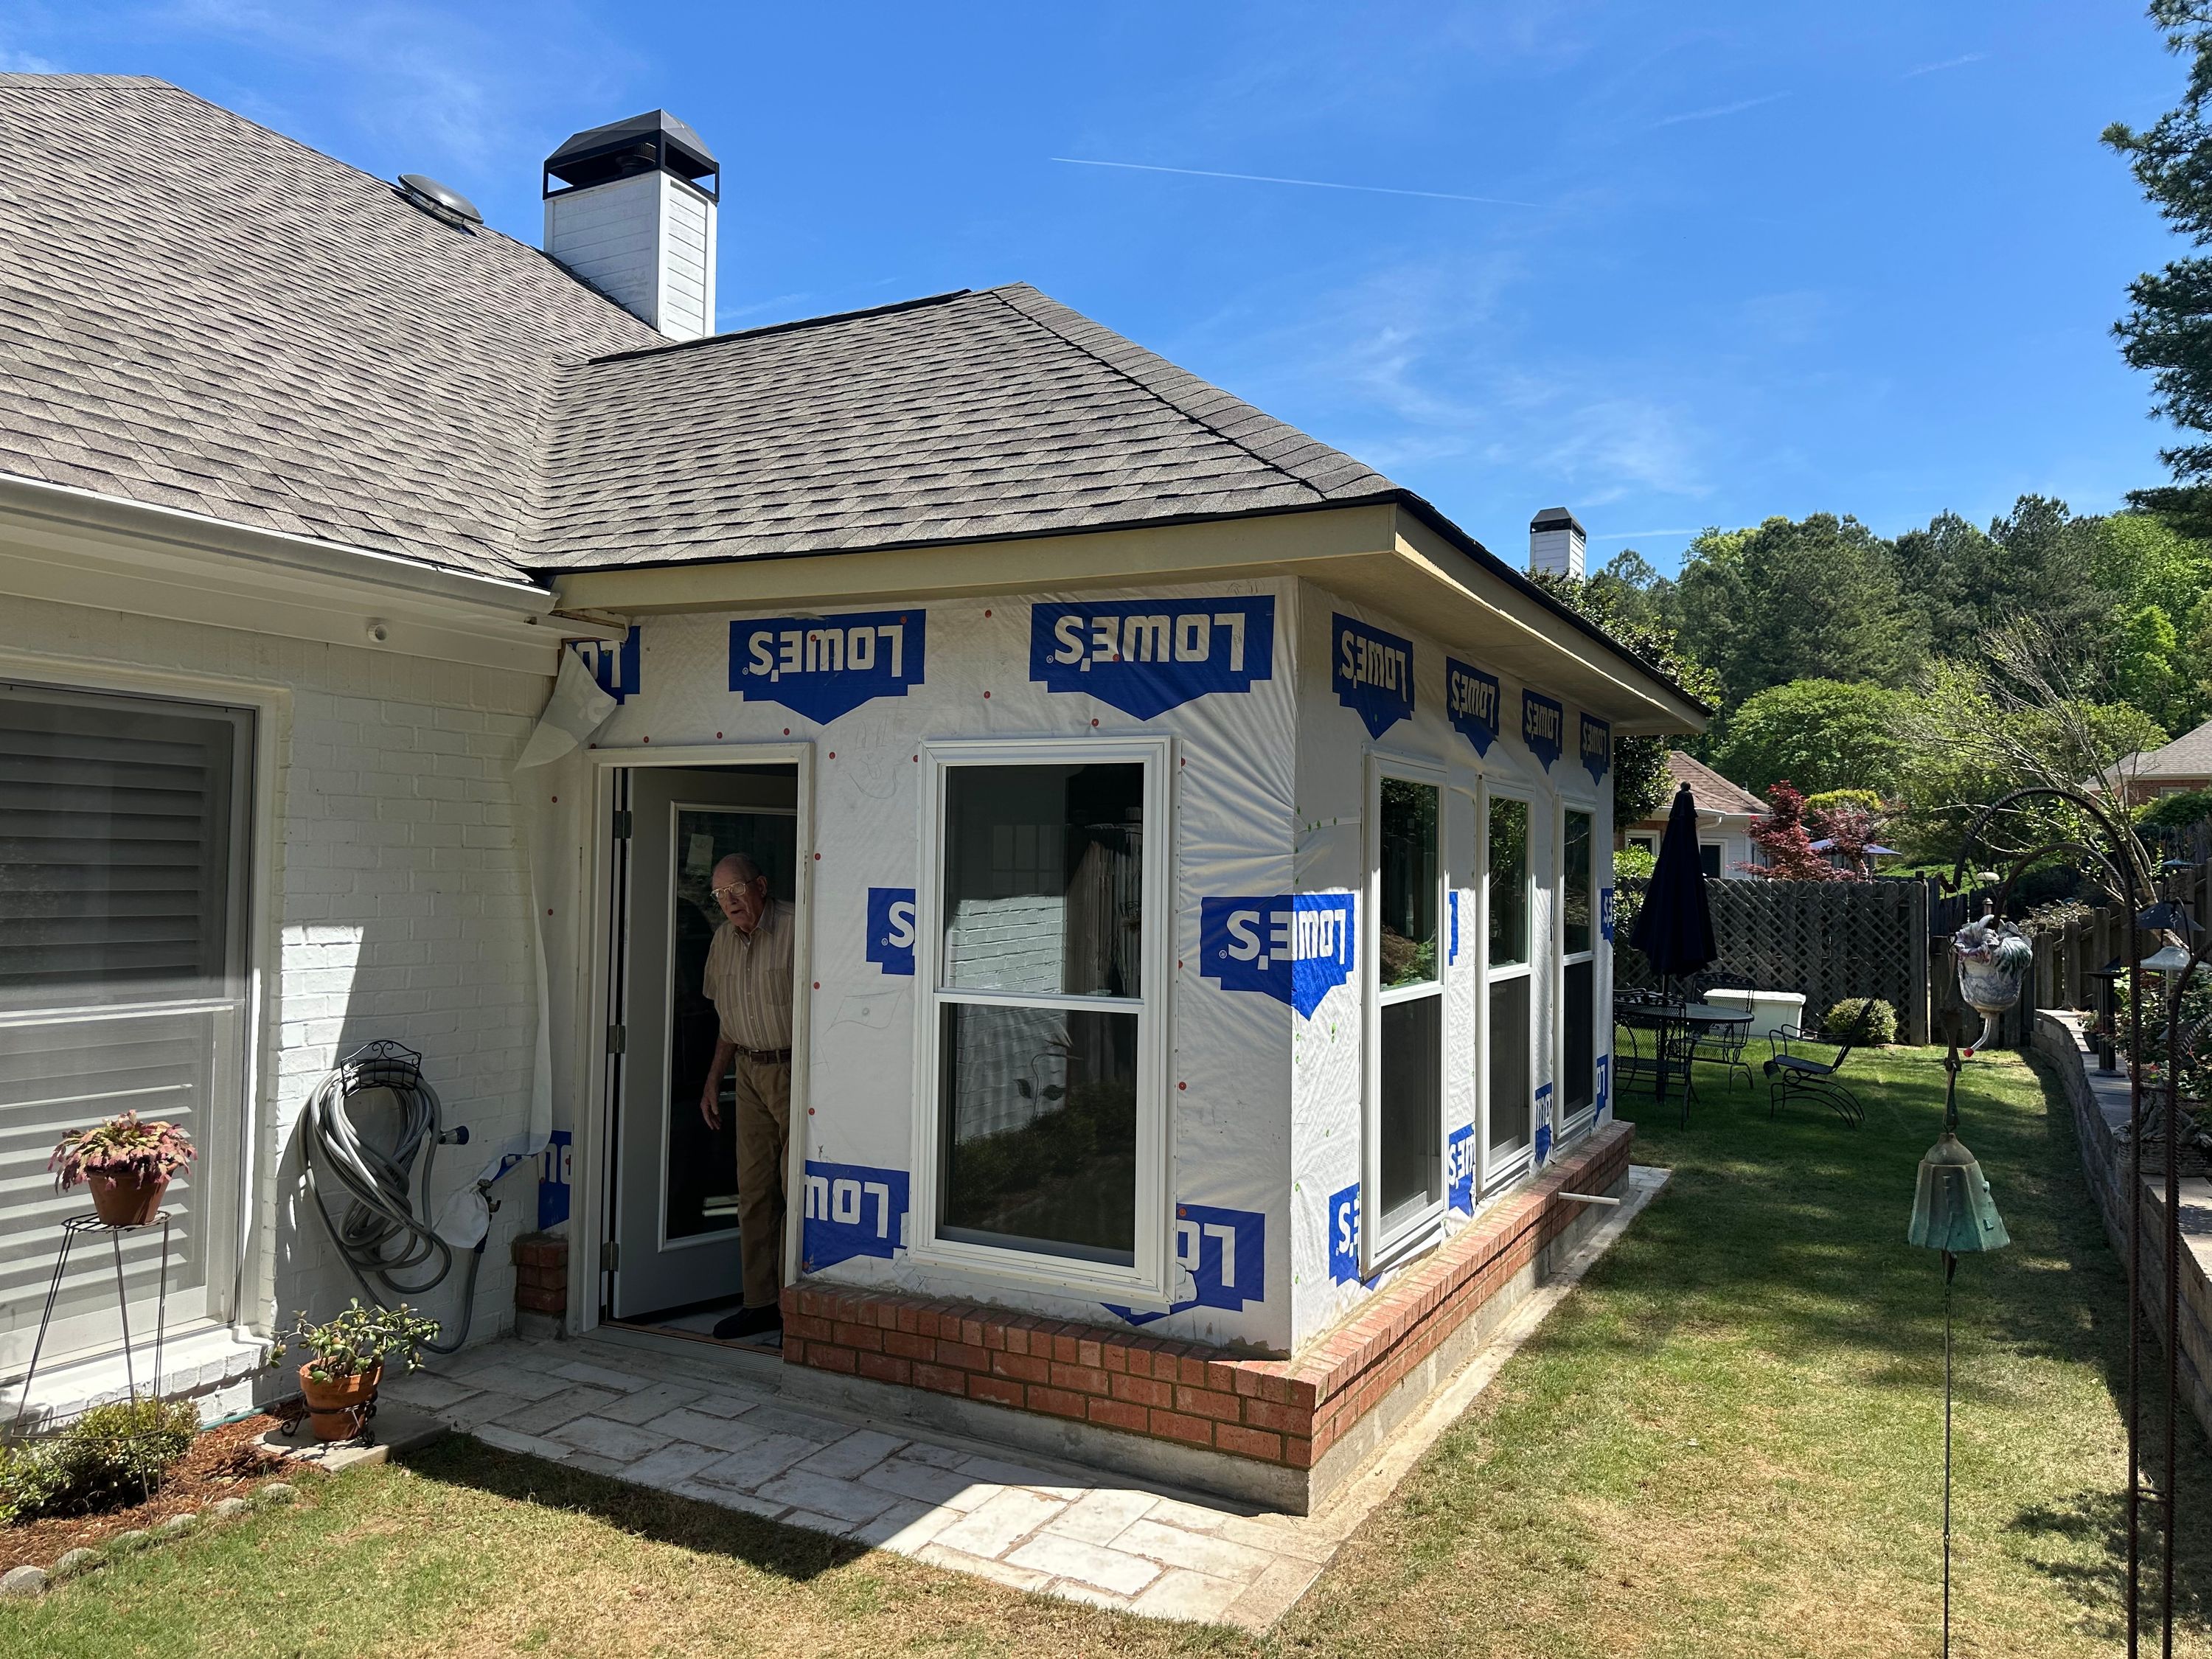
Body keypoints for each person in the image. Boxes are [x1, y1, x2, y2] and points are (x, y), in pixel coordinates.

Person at [697, 852, 793, 1341]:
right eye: (719, 895)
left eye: (735, 890)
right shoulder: (721, 940)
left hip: (797, 1071)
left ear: (761, 885)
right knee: (754, 1192)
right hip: (749, 1072)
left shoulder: (799, 928)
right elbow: (727, 1019)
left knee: (794, 1188)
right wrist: (715, 1078)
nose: (728, 902)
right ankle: (761, 1304)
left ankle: (798, 1305)